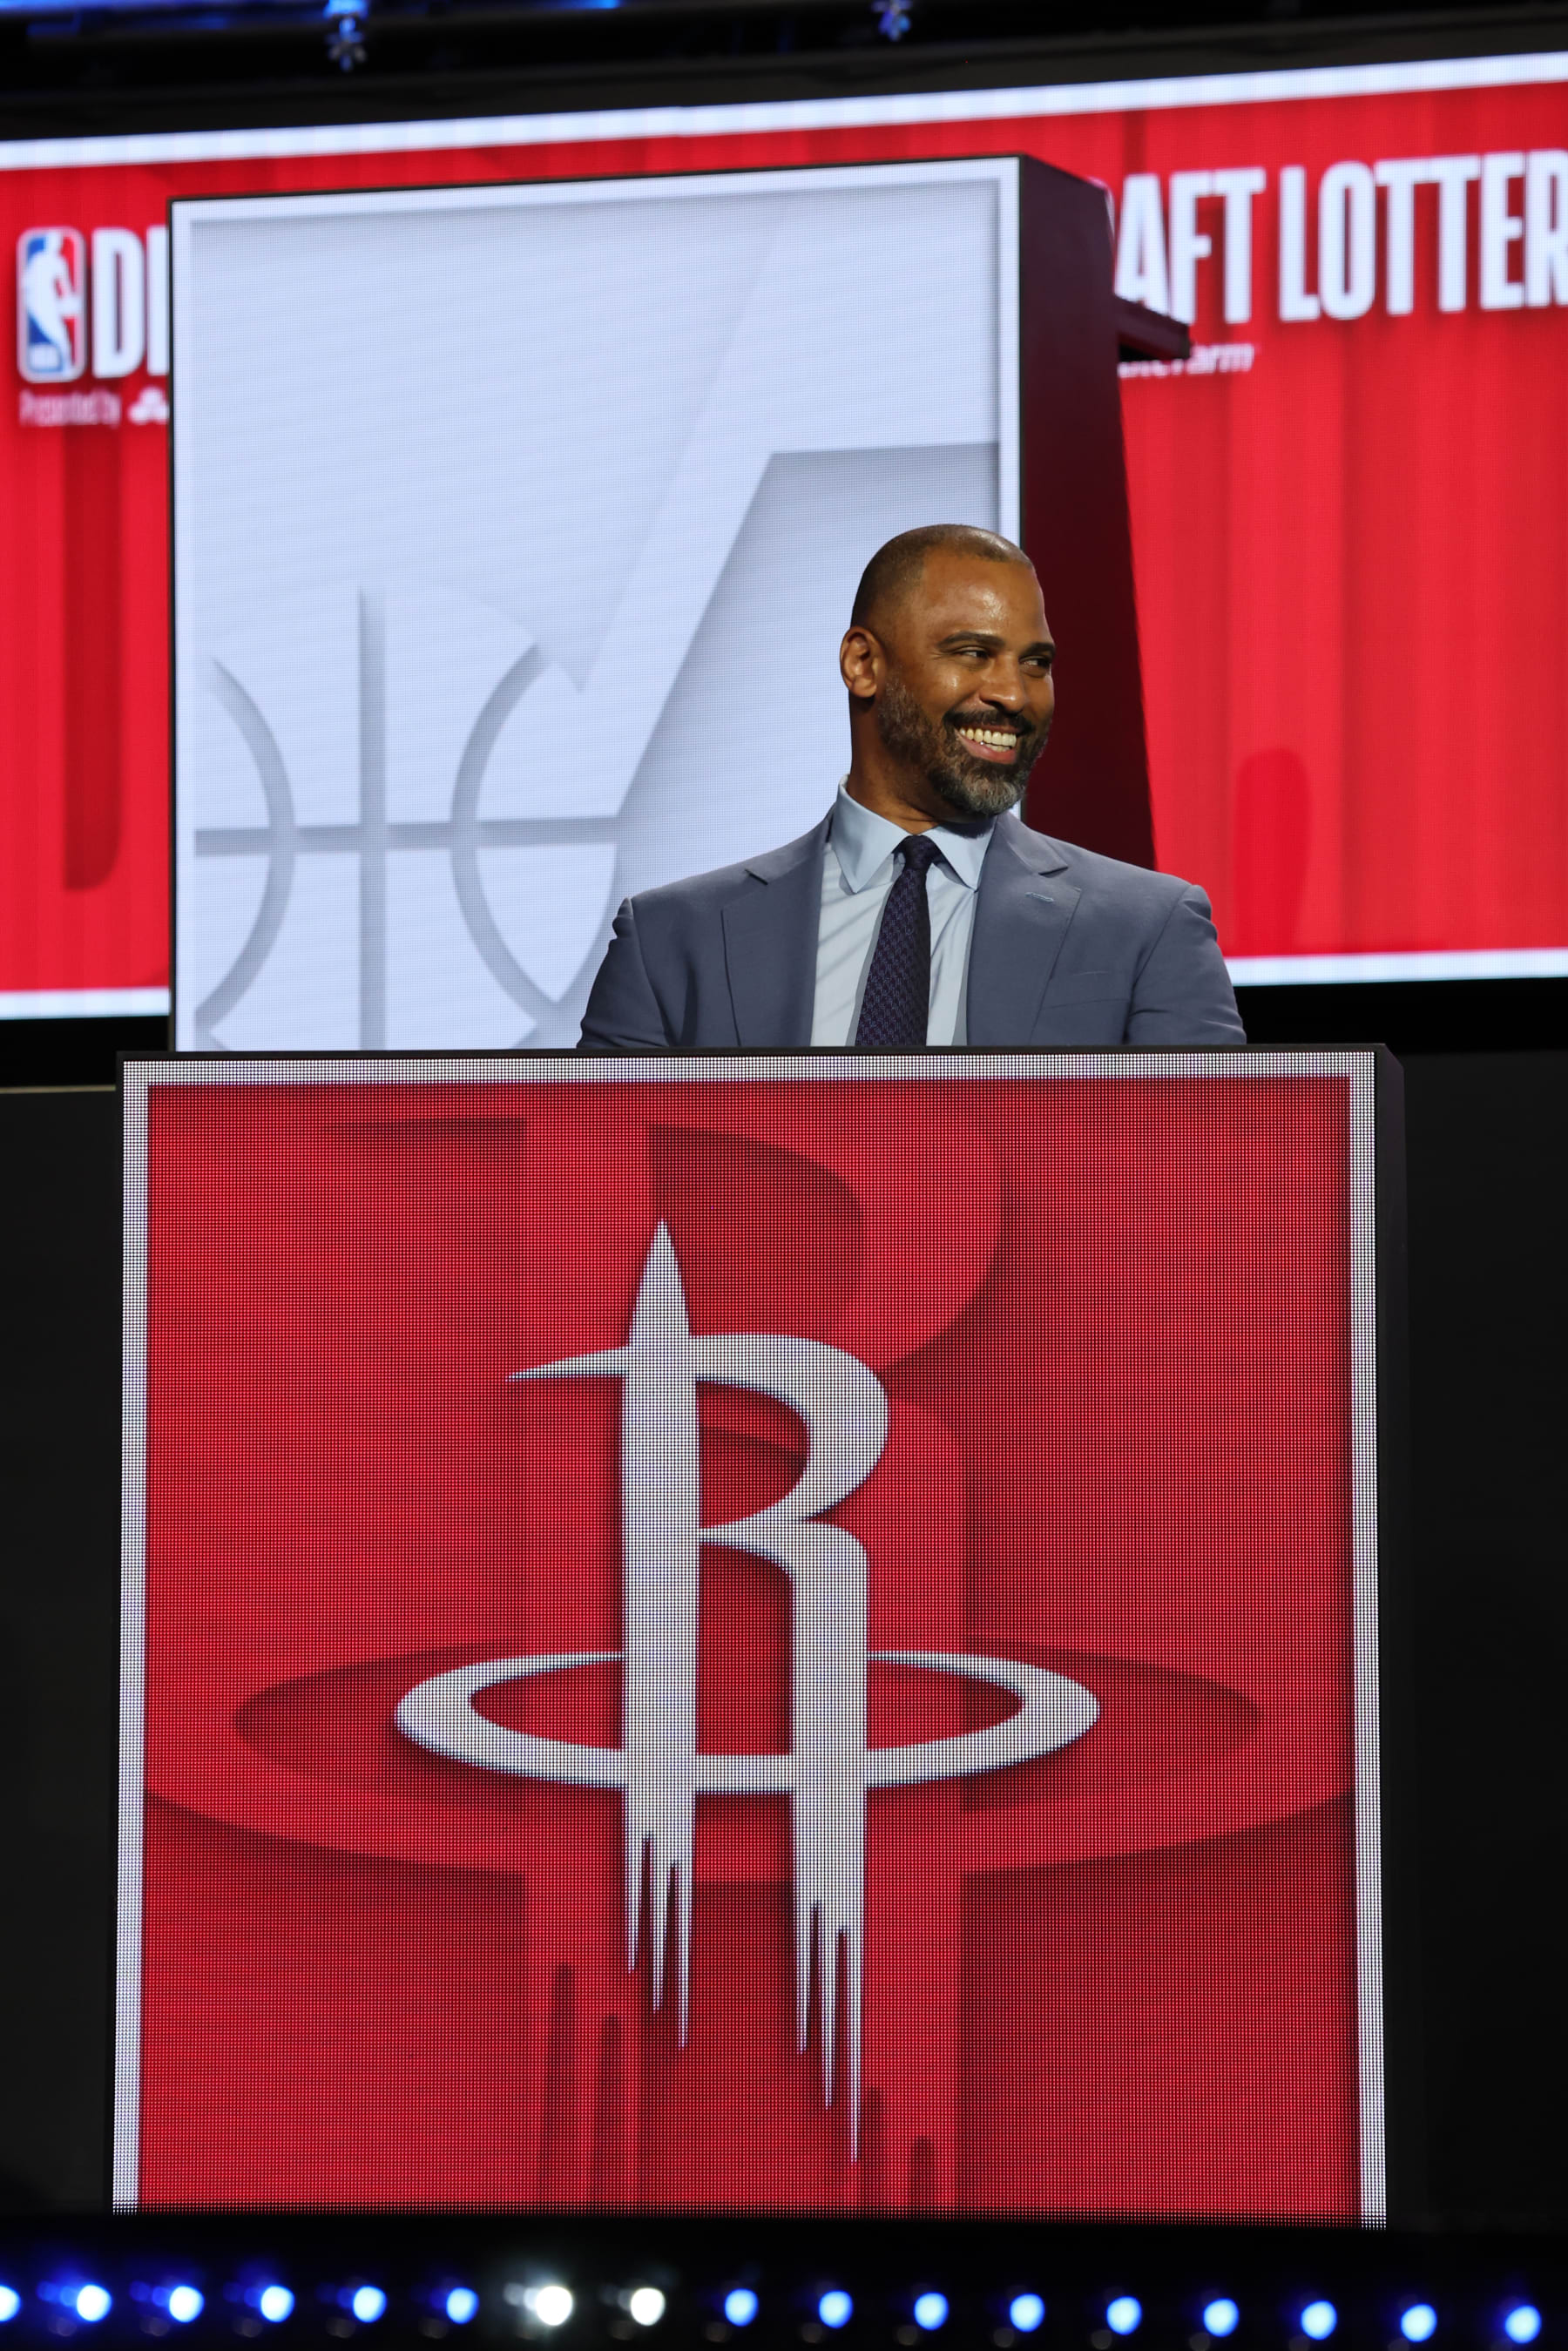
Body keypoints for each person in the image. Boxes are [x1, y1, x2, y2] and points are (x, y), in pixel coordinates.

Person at [577, 524, 1245, 1051]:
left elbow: (1216, 1200)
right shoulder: (668, 940)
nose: (1013, 694)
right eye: (973, 653)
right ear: (863, 663)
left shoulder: (1149, 929)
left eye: (1035, 664)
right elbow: (587, 1208)